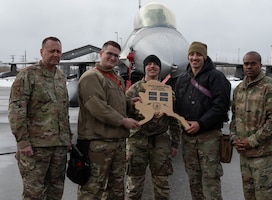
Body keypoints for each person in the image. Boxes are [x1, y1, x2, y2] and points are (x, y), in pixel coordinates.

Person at [8, 36, 72, 199]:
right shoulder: (27, 75)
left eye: (59, 51)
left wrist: (67, 138)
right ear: (42, 52)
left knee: (55, 192)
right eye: (52, 51)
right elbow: (16, 110)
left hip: (58, 147)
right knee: (34, 194)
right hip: (35, 148)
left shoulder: (60, 77)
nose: (56, 54)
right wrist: (22, 142)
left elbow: (63, 110)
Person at [76, 40, 140, 200]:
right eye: (109, 54)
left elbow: (117, 103)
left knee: (116, 189)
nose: (112, 58)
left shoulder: (115, 78)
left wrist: (130, 103)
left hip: (117, 144)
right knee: (92, 191)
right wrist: (123, 121)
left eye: (116, 56)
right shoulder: (91, 77)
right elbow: (97, 107)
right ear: (101, 54)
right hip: (98, 144)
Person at [174, 41, 231, 200]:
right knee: (194, 180)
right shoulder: (182, 79)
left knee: (210, 180)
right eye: (192, 54)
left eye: (198, 54)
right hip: (188, 138)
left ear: (205, 57)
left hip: (208, 137)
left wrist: (201, 123)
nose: (194, 58)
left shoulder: (216, 77)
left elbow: (221, 105)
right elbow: (177, 105)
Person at [229, 51, 272, 200]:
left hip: (262, 155)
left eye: (253, 63)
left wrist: (251, 141)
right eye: (246, 64)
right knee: (248, 195)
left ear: (260, 65)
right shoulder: (239, 89)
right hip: (244, 154)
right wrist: (234, 138)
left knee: (263, 195)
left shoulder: (271, 87)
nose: (249, 67)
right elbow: (235, 117)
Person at [125, 55, 182, 200]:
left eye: (155, 64)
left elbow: (174, 118)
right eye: (149, 64)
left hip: (160, 141)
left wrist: (175, 143)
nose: (152, 67)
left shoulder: (167, 90)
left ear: (159, 69)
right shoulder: (135, 89)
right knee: (134, 185)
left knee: (162, 183)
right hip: (137, 141)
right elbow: (123, 113)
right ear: (144, 68)